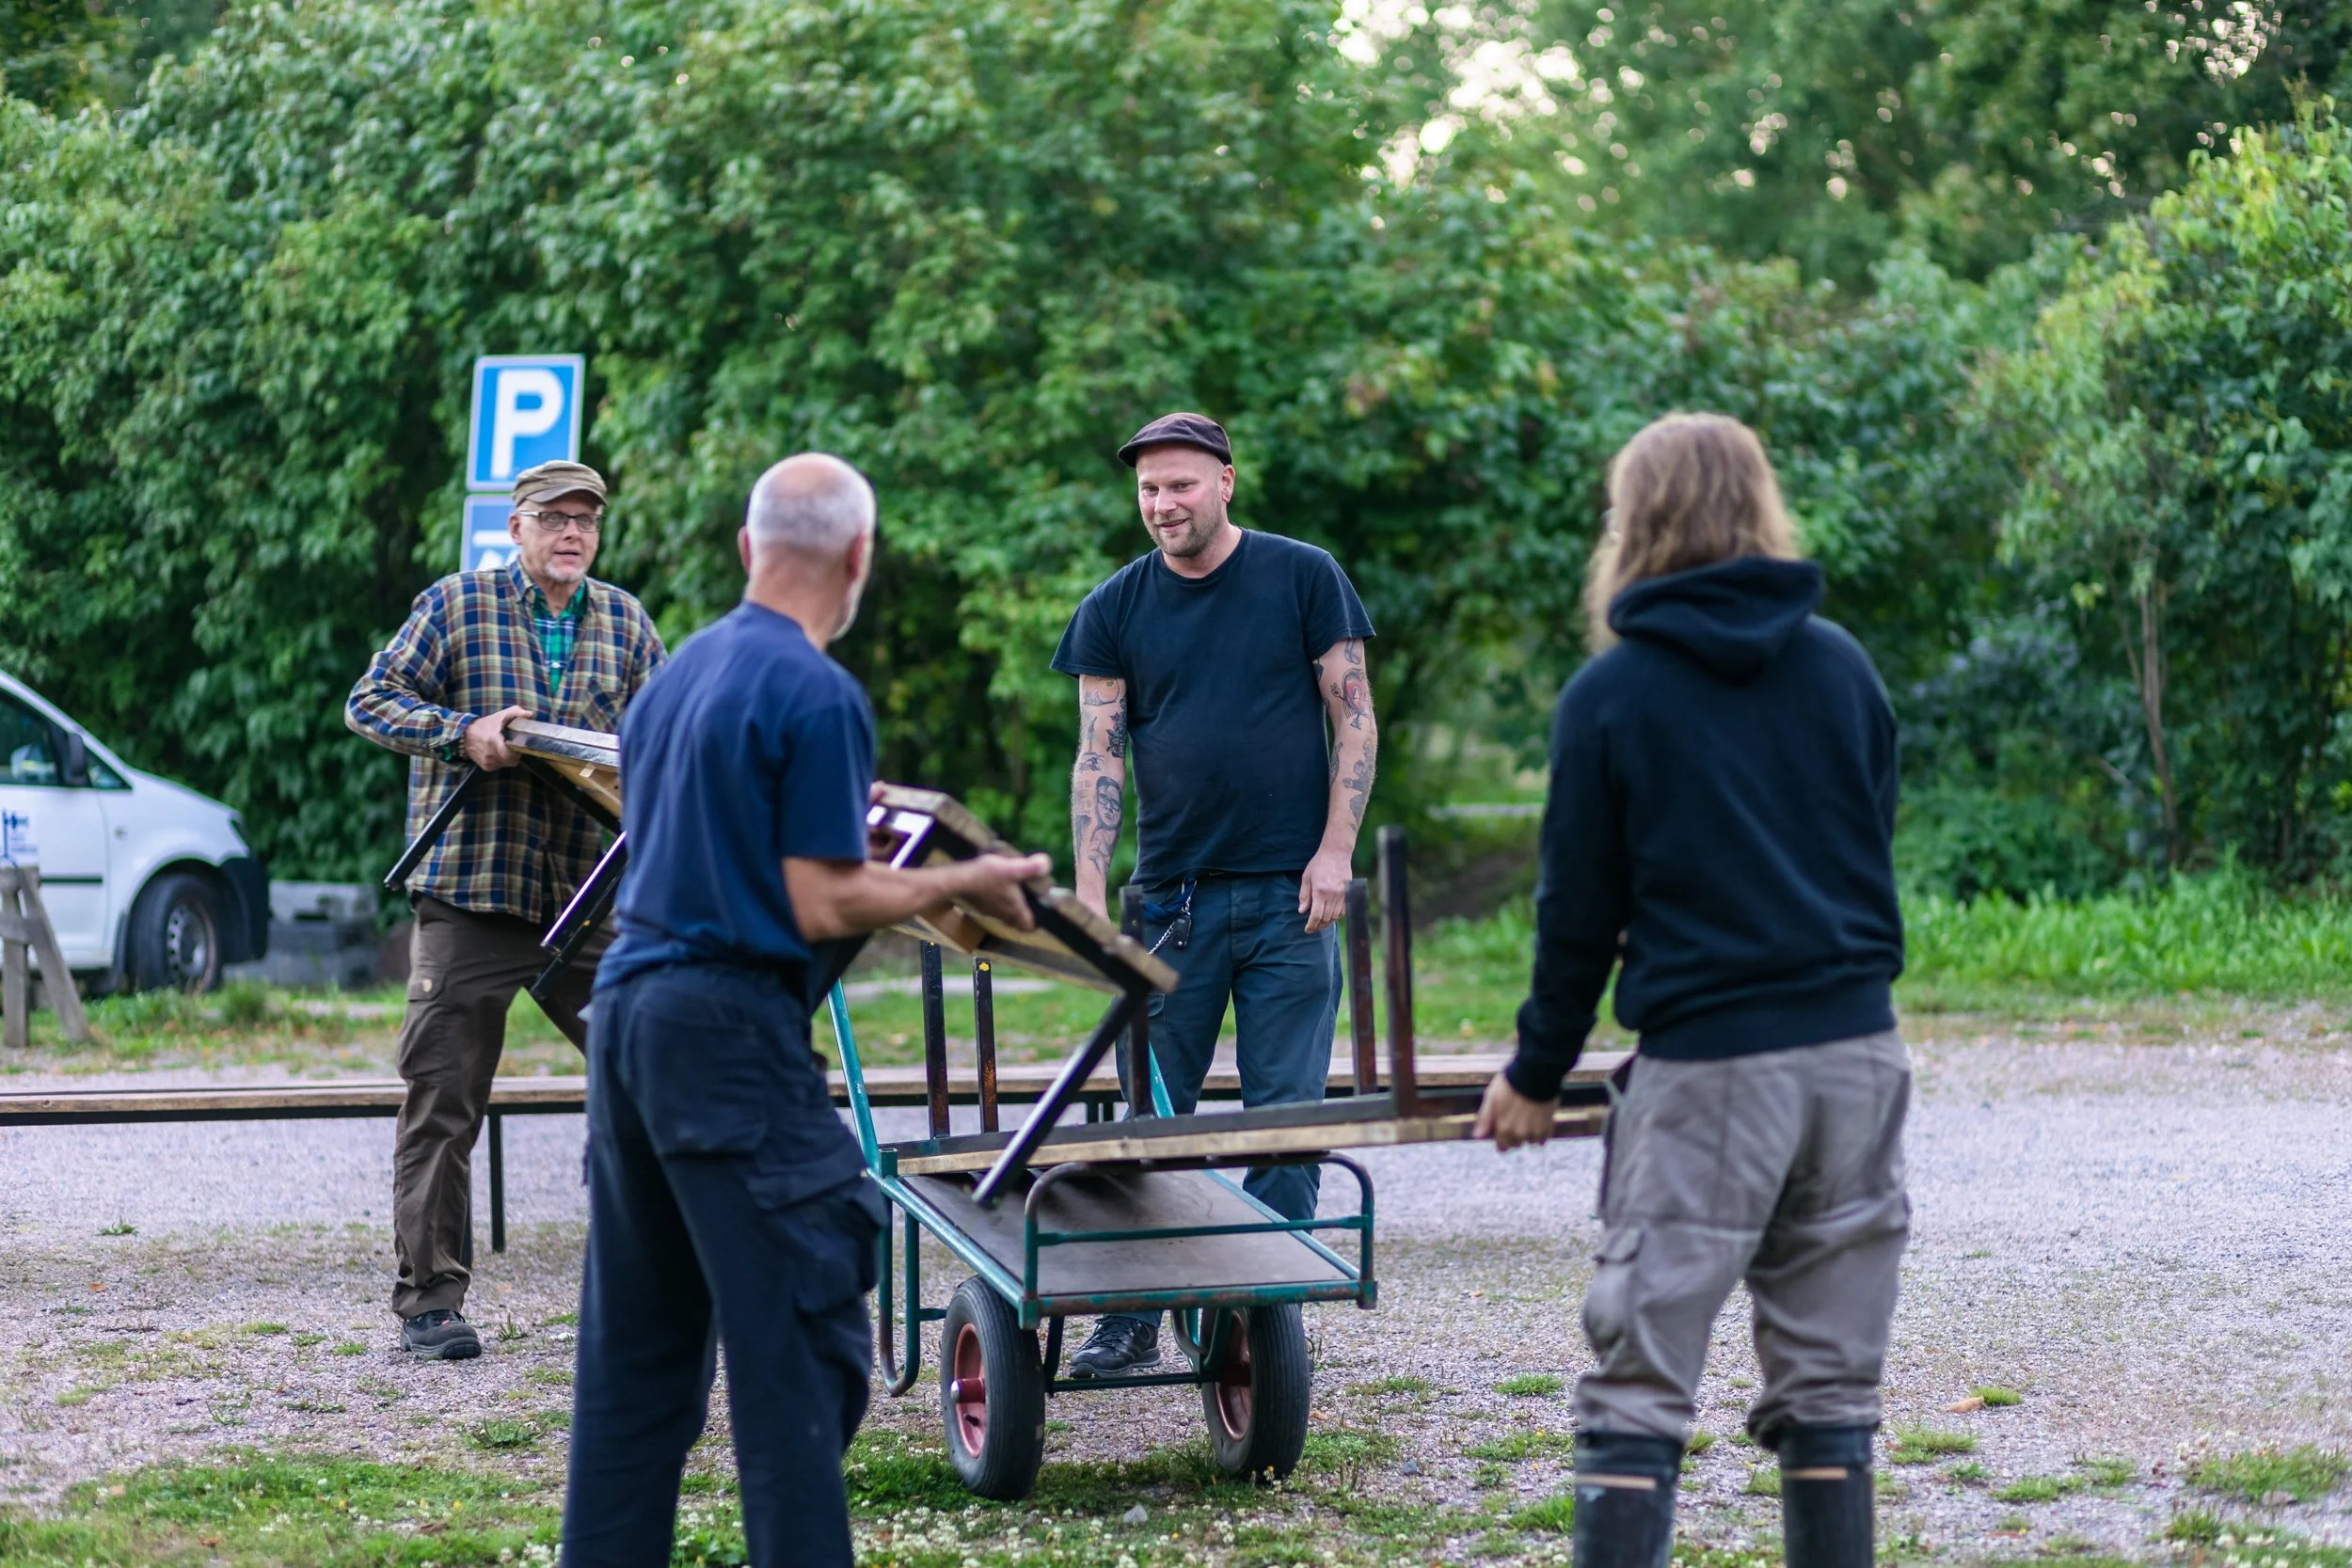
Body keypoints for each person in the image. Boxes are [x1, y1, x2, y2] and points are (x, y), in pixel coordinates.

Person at [561, 453, 1047, 1568]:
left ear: (748, 548)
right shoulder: (818, 691)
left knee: (635, 1365)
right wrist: (961, 881)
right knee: (806, 1334)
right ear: (858, 557)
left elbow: (711, 835)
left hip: (624, 1017)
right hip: (722, 1025)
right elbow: (818, 893)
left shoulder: (674, 677)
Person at [1473, 413, 1909, 1568]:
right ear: (1759, 509)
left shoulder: (1612, 694)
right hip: (1859, 1058)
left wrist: (1531, 1072)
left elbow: (1576, 914)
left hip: (1715, 1070)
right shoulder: (1842, 665)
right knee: (1830, 1384)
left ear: (1636, 522)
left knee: (1640, 1369)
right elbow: (1862, 839)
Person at [1050, 410, 1378, 1378]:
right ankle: (1135, 1310)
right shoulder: (1112, 606)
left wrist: (1334, 851)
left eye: (1181, 485)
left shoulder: (1302, 576)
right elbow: (1096, 753)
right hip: (1171, 905)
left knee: (1285, 1117)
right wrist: (1085, 895)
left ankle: (1254, 1318)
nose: (1163, 504)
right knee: (1150, 1117)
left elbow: (1354, 720)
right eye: (1149, 489)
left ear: (1226, 482)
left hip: (1290, 898)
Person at [347, 459, 665, 1361]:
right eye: (554, 518)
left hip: (587, 896)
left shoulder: (627, 621)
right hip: (472, 893)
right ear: (516, 527)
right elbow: (370, 702)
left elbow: (671, 733)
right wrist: (462, 731)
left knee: (658, 1065)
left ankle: (658, 1281)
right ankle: (430, 1302)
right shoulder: (457, 603)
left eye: (586, 521)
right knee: (443, 1097)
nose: (573, 533)